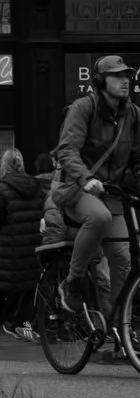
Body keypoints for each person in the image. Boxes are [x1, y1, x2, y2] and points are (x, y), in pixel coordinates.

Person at [56, 54, 140, 319]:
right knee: (99, 216)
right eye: (117, 76)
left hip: (112, 194)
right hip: (78, 188)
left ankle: (120, 328)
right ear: (99, 81)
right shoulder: (84, 107)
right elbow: (67, 149)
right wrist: (85, 178)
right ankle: (73, 281)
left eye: (127, 75)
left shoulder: (134, 114)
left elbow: (138, 157)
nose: (124, 80)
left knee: (122, 259)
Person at [0, 148, 46, 340]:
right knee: (27, 284)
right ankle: (21, 324)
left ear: (4, 165)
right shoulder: (36, 185)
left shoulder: (2, 187)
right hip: (32, 243)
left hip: (8, 244)